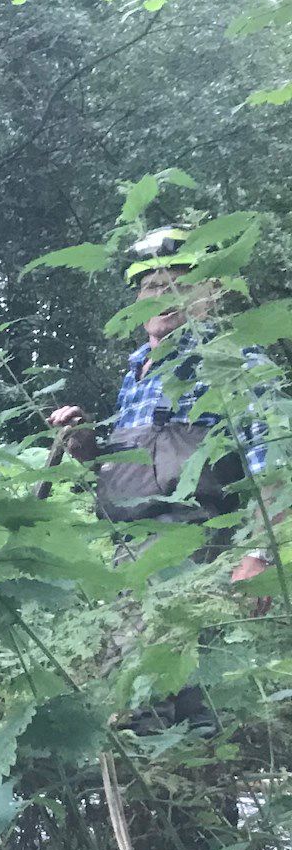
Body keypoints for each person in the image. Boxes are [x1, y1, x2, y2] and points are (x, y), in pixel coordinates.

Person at [49, 227, 276, 586]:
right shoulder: (134, 375)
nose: (162, 296)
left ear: (210, 293)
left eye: (179, 286)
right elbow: (134, 477)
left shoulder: (235, 360)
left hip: (202, 554)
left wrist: (259, 554)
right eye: (151, 287)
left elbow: (276, 464)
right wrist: (87, 447)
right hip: (129, 555)